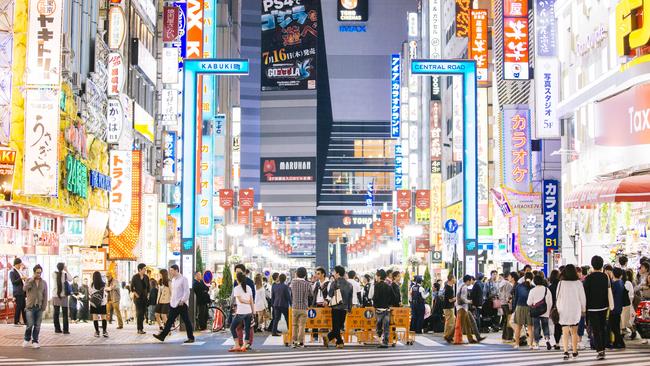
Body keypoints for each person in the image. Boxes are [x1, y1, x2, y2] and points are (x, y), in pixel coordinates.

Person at [153, 264, 195, 343]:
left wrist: (182, 301)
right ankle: (162, 336)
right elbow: (173, 292)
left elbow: (187, 291)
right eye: (170, 270)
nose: (170, 272)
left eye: (171, 270)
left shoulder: (183, 279)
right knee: (169, 321)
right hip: (174, 304)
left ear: (176, 270)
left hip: (181, 304)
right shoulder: (173, 280)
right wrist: (171, 301)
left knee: (186, 321)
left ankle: (191, 337)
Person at [557, 264, 586, 361]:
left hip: (563, 309)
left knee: (564, 332)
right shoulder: (578, 283)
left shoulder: (561, 283)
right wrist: (583, 308)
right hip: (575, 310)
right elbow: (582, 297)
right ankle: (574, 351)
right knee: (574, 332)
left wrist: (558, 308)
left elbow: (557, 297)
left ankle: (565, 351)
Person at [583, 255, 610, 360]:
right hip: (603, 306)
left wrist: (585, 307)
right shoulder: (605, 277)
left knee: (596, 329)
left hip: (592, 308)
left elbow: (586, 293)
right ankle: (603, 348)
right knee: (603, 328)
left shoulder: (588, 278)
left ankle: (600, 350)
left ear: (592, 265)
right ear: (602, 265)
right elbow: (608, 291)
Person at [324, 265, 352, 349]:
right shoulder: (349, 284)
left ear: (338, 273)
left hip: (336, 307)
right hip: (344, 308)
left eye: (334, 272)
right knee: (339, 327)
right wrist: (349, 308)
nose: (333, 273)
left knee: (336, 327)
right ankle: (337, 341)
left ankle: (334, 340)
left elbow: (330, 294)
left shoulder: (335, 283)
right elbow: (350, 297)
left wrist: (326, 301)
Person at [228, 271, 255, 352]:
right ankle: (244, 346)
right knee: (247, 329)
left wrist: (247, 302)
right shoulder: (249, 288)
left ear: (237, 280)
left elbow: (240, 300)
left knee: (232, 327)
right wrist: (253, 311)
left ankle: (237, 345)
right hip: (249, 311)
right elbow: (251, 300)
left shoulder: (236, 288)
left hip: (241, 312)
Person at [23, 264, 47, 349]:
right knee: (30, 324)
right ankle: (26, 339)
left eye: (40, 273)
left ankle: (35, 341)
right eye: (37, 273)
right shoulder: (29, 280)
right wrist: (32, 279)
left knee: (37, 325)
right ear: (34, 272)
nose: (39, 274)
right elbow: (24, 289)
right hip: (30, 306)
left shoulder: (44, 282)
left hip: (39, 307)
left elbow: (45, 295)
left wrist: (44, 306)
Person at [527, 274, 553, 350]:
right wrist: (548, 310)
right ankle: (547, 340)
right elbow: (550, 301)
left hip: (536, 312)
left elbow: (528, 302)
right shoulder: (546, 289)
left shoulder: (532, 290)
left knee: (536, 327)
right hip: (545, 311)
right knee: (545, 326)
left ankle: (537, 344)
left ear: (534, 282)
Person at [290, 267, 311, 348]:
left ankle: (294, 342)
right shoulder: (307, 284)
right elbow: (311, 294)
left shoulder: (292, 283)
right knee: (302, 326)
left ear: (297, 273)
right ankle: (301, 342)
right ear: (305, 274)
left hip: (295, 306)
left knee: (294, 325)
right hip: (304, 307)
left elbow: (290, 293)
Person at [373, 269, 394, 348]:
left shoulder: (377, 286)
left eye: (377, 275)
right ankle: (385, 342)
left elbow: (375, 297)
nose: (376, 277)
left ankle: (379, 333)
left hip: (379, 309)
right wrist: (388, 304)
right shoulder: (388, 286)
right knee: (386, 326)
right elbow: (393, 297)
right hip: (387, 309)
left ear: (379, 276)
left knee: (378, 324)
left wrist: (374, 305)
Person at [512, 272, 534, 349]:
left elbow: (516, 298)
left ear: (524, 278)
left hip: (519, 307)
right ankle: (531, 345)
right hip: (529, 308)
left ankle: (517, 344)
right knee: (530, 327)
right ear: (532, 279)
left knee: (518, 327)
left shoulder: (518, 286)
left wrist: (514, 309)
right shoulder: (533, 287)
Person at [455, 275, 477, 343]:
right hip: (462, 308)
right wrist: (469, 301)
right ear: (468, 281)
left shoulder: (461, 285)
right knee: (461, 325)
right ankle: (453, 338)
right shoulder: (464, 287)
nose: (471, 282)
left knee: (467, 324)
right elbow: (463, 298)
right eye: (470, 280)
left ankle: (470, 339)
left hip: (462, 308)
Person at [52, 262, 71, 334]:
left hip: (55, 295)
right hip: (64, 296)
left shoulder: (54, 274)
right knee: (65, 314)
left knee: (56, 313)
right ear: (63, 267)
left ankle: (57, 329)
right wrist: (66, 270)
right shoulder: (65, 274)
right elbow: (70, 279)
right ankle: (65, 330)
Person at [130, 263, 150, 334]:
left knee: (143, 313)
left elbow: (148, 288)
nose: (145, 270)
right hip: (138, 299)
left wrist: (147, 295)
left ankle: (141, 328)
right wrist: (136, 294)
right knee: (140, 313)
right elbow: (131, 288)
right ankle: (139, 329)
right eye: (144, 269)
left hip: (144, 298)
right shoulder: (135, 277)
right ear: (140, 269)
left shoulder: (146, 277)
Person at [609, 267, 626, 349]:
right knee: (616, 326)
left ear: (613, 274)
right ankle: (616, 342)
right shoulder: (621, 282)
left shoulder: (615, 284)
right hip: (619, 307)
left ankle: (621, 342)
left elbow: (611, 295)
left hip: (614, 308)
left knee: (614, 326)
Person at [89, 271, 108, 338]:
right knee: (104, 318)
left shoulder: (91, 285)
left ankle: (97, 332)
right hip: (102, 303)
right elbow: (106, 292)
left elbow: (90, 293)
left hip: (94, 303)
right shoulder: (104, 284)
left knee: (95, 318)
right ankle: (104, 331)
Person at [548, 269, 562, 350]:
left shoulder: (550, 287)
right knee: (559, 326)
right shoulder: (561, 285)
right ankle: (558, 343)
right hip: (561, 307)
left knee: (553, 326)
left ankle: (554, 342)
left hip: (553, 308)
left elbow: (549, 300)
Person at [10, 258, 27, 326]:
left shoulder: (19, 271)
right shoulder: (12, 272)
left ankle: (26, 321)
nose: (20, 265)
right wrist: (21, 278)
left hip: (22, 291)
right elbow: (13, 282)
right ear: (16, 264)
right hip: (18, 292)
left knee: (23, 307)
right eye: (19, 264)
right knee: (19, 306)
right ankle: (16, 321)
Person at [499, 272, 515, 342]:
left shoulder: (501, 283)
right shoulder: (508, 284)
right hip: (507, 304)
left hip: (502, 303)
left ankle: (504, 336)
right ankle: (509, 337)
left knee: (506, 320)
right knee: (509, 320)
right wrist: (510, 305)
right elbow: (508, 296)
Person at [442, 273, 456, 343]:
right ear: (452, 279)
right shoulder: (449, 288)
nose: (455, 279)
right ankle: (447, 336)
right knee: (450, 323)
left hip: (448, 307)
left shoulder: (447, 287)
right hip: (449, 307)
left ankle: (448, 336)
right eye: (454, 278)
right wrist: (457, 298)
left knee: (450, 322)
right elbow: (450, 300)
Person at [623, 269, 636, 340]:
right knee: (626, 320)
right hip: (627, 304)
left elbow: (631, 294)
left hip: (627, 304)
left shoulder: (627, 283)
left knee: (627, 320)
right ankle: (630, 332)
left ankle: (633, 331)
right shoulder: (627, 283)